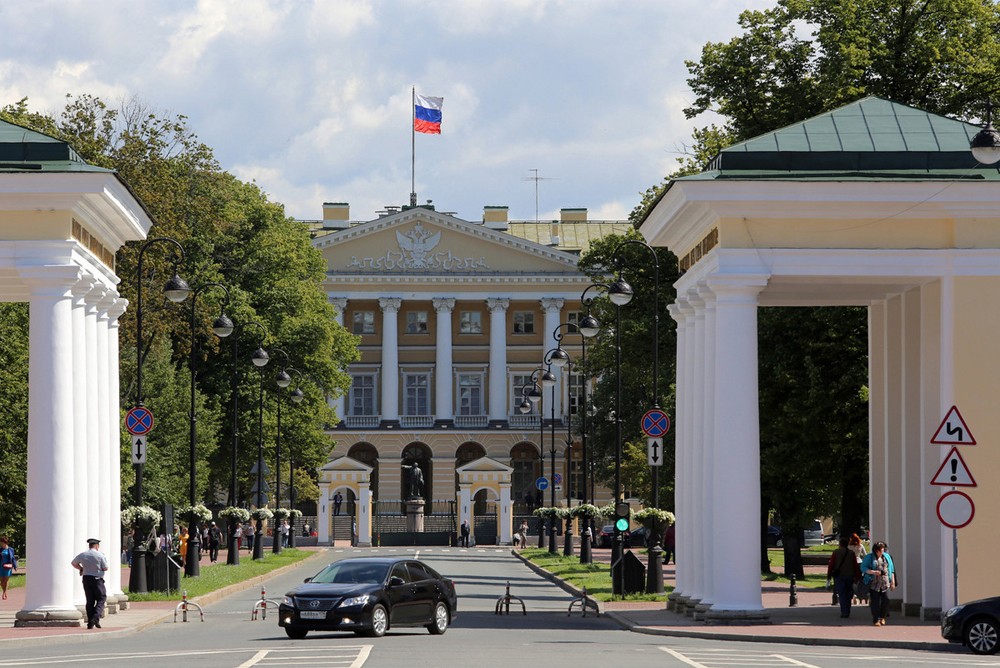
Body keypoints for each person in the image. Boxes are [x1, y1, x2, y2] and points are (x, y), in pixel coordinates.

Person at [71, 538, 109, 629]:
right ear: (97, 546)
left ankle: (90, 622)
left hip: (86, 579)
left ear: (89, 545)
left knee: (90, 600)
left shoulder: (83, 555)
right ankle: (95, 618)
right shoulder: (100, 555)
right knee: (101, 598)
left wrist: (81, 568)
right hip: (97, 579)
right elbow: (106, 567)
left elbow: (73, 563)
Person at [861, 540, 895, 626]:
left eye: (883, 550)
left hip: (884, 583)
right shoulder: (870, 557)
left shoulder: (886, 557)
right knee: (875, 601)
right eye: (881, 550)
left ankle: (882, 617)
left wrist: (892, 581)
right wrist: (873, 572)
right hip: (874, 583)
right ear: (876, 550)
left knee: (886, 600)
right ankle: (875, 619)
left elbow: (891, 569)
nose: (883, 552)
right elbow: (863, 568)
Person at [826, 537, 861, 618]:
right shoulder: (851, 553)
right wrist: (857, 576)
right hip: (850, 575)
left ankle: (843, 611)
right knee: (849, 594)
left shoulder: (836, 552)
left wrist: (829, 575)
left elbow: (831, 564)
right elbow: (855, 566)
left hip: (839, 576)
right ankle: (847, 610)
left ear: (840, 544)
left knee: (842, 594)